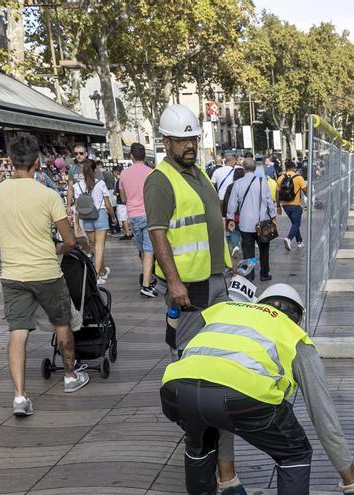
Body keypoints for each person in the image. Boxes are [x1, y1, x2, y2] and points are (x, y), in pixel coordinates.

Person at [160, 284, 354, 495]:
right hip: (242, 399)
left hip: (176, 390)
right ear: (297, 317)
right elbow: (325, 419)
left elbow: (217, 404)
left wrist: (228, 479)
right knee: (295, 454)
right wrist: (352, 482)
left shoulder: (226, 314)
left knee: (200, 439)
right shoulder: (292, 334)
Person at [0, 134, 90, 417]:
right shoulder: (47, 195)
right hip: (47, 272)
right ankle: (70, 377)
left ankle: (20, 397)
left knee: (17, 333)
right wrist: (55, 246)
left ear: (11, 162)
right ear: (37, 162)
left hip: (13, 275)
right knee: (62, 324)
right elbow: (69, 241)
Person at [143, 104, 232, 356]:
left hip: (213, 276)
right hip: (188, 283)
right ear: (166, 143)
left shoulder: (199, 173)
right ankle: (181, 389)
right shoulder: (160, 181)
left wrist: (228, 261)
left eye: (192, 139)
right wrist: (174, 282)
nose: (189, 145)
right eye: (182, 141)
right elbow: (157, 235)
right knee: (186, 345)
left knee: (216, 341)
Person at [227, 157, 278, 283]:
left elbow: (232, 203)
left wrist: (230, 218)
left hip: (245, 224)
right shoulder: (262, 181)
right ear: (255, 168)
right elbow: (268, 199)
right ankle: (264, 273)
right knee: (264, 250)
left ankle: (249, 276)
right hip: (262, 222)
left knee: (248, 251)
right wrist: (273, 215)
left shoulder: (238, 183)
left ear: (243, 169)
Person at [119, 143, 156, 296]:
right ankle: (147, 285)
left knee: (143, 249)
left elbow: (123, 197)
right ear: (144, 156)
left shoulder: (123, 174)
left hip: (133, 215)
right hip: (149, 214)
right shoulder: (151, 172)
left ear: (131, 156)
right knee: (148, 250)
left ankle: (149, 278)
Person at [71, 158, 114, 285]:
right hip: (100, 215)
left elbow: (77, 207)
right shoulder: (100, 184)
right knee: (100, 246)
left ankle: (102, 271)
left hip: (86, 217)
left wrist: (77, 224)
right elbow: (108, 204)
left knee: (95, 247)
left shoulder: (77, 185)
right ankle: (95, 274)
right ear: (95, 170)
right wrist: (113, 217)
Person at [277, 162, 308, 250]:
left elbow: (277, 192)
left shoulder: (281, 178)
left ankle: (299, 242)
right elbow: (305, 190)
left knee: (294, 223)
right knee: (296, 224)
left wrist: (278, 206)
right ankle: (289, 238)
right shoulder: (299, 178)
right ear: (294, 168)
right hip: (296, 205)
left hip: (285, 205)